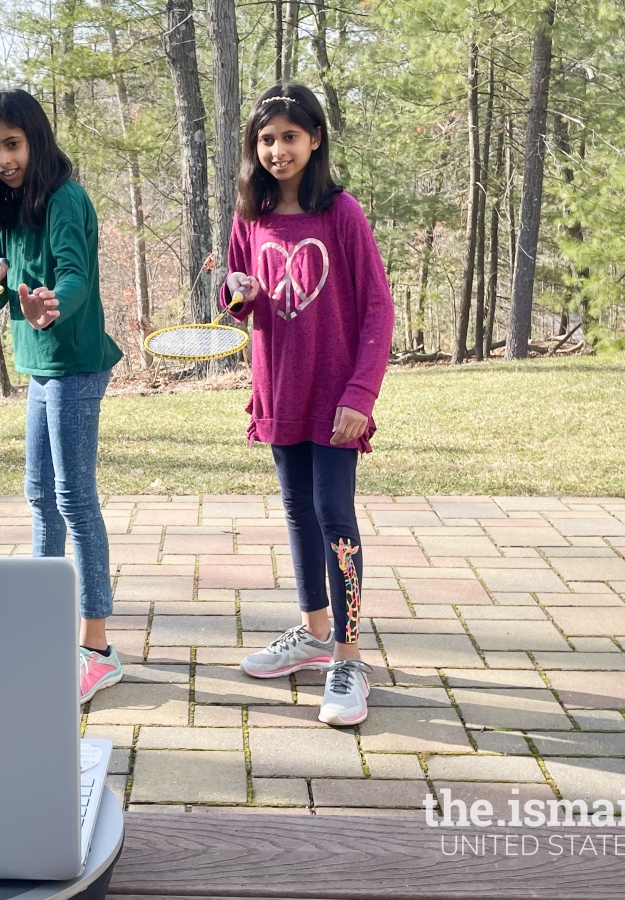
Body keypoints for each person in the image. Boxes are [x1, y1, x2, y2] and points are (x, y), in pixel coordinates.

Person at [221, 83, 395, 726]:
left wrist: (360, 393)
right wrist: (233, 292)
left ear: (314, 139)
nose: (277, 150)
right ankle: (314, 634)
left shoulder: (341, 213)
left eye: (290, 137)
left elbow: (379, 306)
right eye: (266, 139)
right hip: (279, 388)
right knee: (297, 508)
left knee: (332, 511)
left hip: (336, 395)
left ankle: (349, 657)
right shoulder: (251, 216)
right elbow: (246, 298)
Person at [0, 89, 125, 705]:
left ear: (35, 138)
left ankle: (96, 649)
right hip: (40, 368)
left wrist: (48, 307)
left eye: (12, 144)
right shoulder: (11, 205)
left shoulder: (66, 198)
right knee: (39, 496)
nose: (5, 159)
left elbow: (75, 278)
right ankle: (44, 626)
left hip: (74, 365)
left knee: (74, 499)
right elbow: (11, 293)